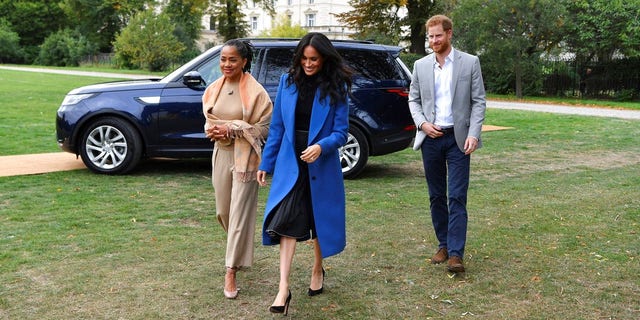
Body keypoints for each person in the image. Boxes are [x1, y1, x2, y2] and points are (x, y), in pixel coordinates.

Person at [256, 32, 351, 315]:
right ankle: (283, 288)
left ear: (324, 59)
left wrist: (321, 147)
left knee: (319, 220)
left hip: (321, 165)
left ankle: (318, 268)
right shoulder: (287, 82)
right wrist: (266, 163)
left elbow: (341, 133)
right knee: (286, 221)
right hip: (291, 164)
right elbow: (277, 128)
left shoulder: (337, 87)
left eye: (314, 59)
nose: (309, 64)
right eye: (305, 59)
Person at [408, 15, 487, 273]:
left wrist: (474, 133)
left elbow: (478, 102)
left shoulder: (470, 63)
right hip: (431, 138)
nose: (433, 41)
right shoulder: (420, 66)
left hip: (458, 139)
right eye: (430, 36)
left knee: (456, 196)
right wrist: (422, 124)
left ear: (449, 34)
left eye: (438, 36)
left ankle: (455, 254)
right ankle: (443, 245)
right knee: (436, 196)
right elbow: (413, 100)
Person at [202, 39, 272, 299]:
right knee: (223, 211)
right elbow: (209, 121)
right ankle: (238, 249)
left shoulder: (257, 93)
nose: (226, 64)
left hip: (247, 158)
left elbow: (265, 128)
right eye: (223, 59)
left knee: (241, 213)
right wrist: (216, 131)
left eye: (232, 59)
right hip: (222, 153)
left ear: (244, 61)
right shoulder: (213, 89)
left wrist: (234, 127)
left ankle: (230, 270)